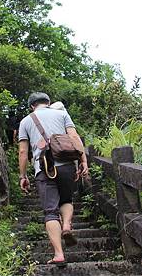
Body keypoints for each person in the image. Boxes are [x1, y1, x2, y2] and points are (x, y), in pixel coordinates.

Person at [18, 92, 89, 266]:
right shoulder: (62, 114)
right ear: (48, 103)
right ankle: (66, 225)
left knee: (50, 211)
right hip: (66, 166)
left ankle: (59, 254)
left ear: (31, 106)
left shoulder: (26, 121)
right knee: (66, 199)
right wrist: (83, 161)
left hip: (43, 168)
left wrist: (23, 175)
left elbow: (22, 152)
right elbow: (74, 137)